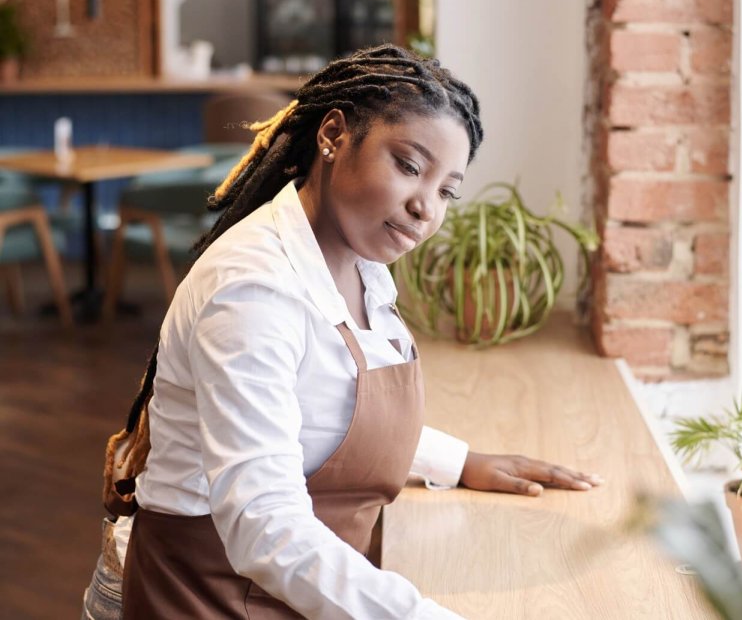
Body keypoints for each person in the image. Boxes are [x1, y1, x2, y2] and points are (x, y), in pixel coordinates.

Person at [81, 44, 603, 620]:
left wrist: (458, 462)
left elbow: (315, 406)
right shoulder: (252, 290)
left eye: (446, 190)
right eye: (408, 166)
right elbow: (266, 529)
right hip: (214, 596)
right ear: (333, 135)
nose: (426, 208)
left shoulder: (359, 264)